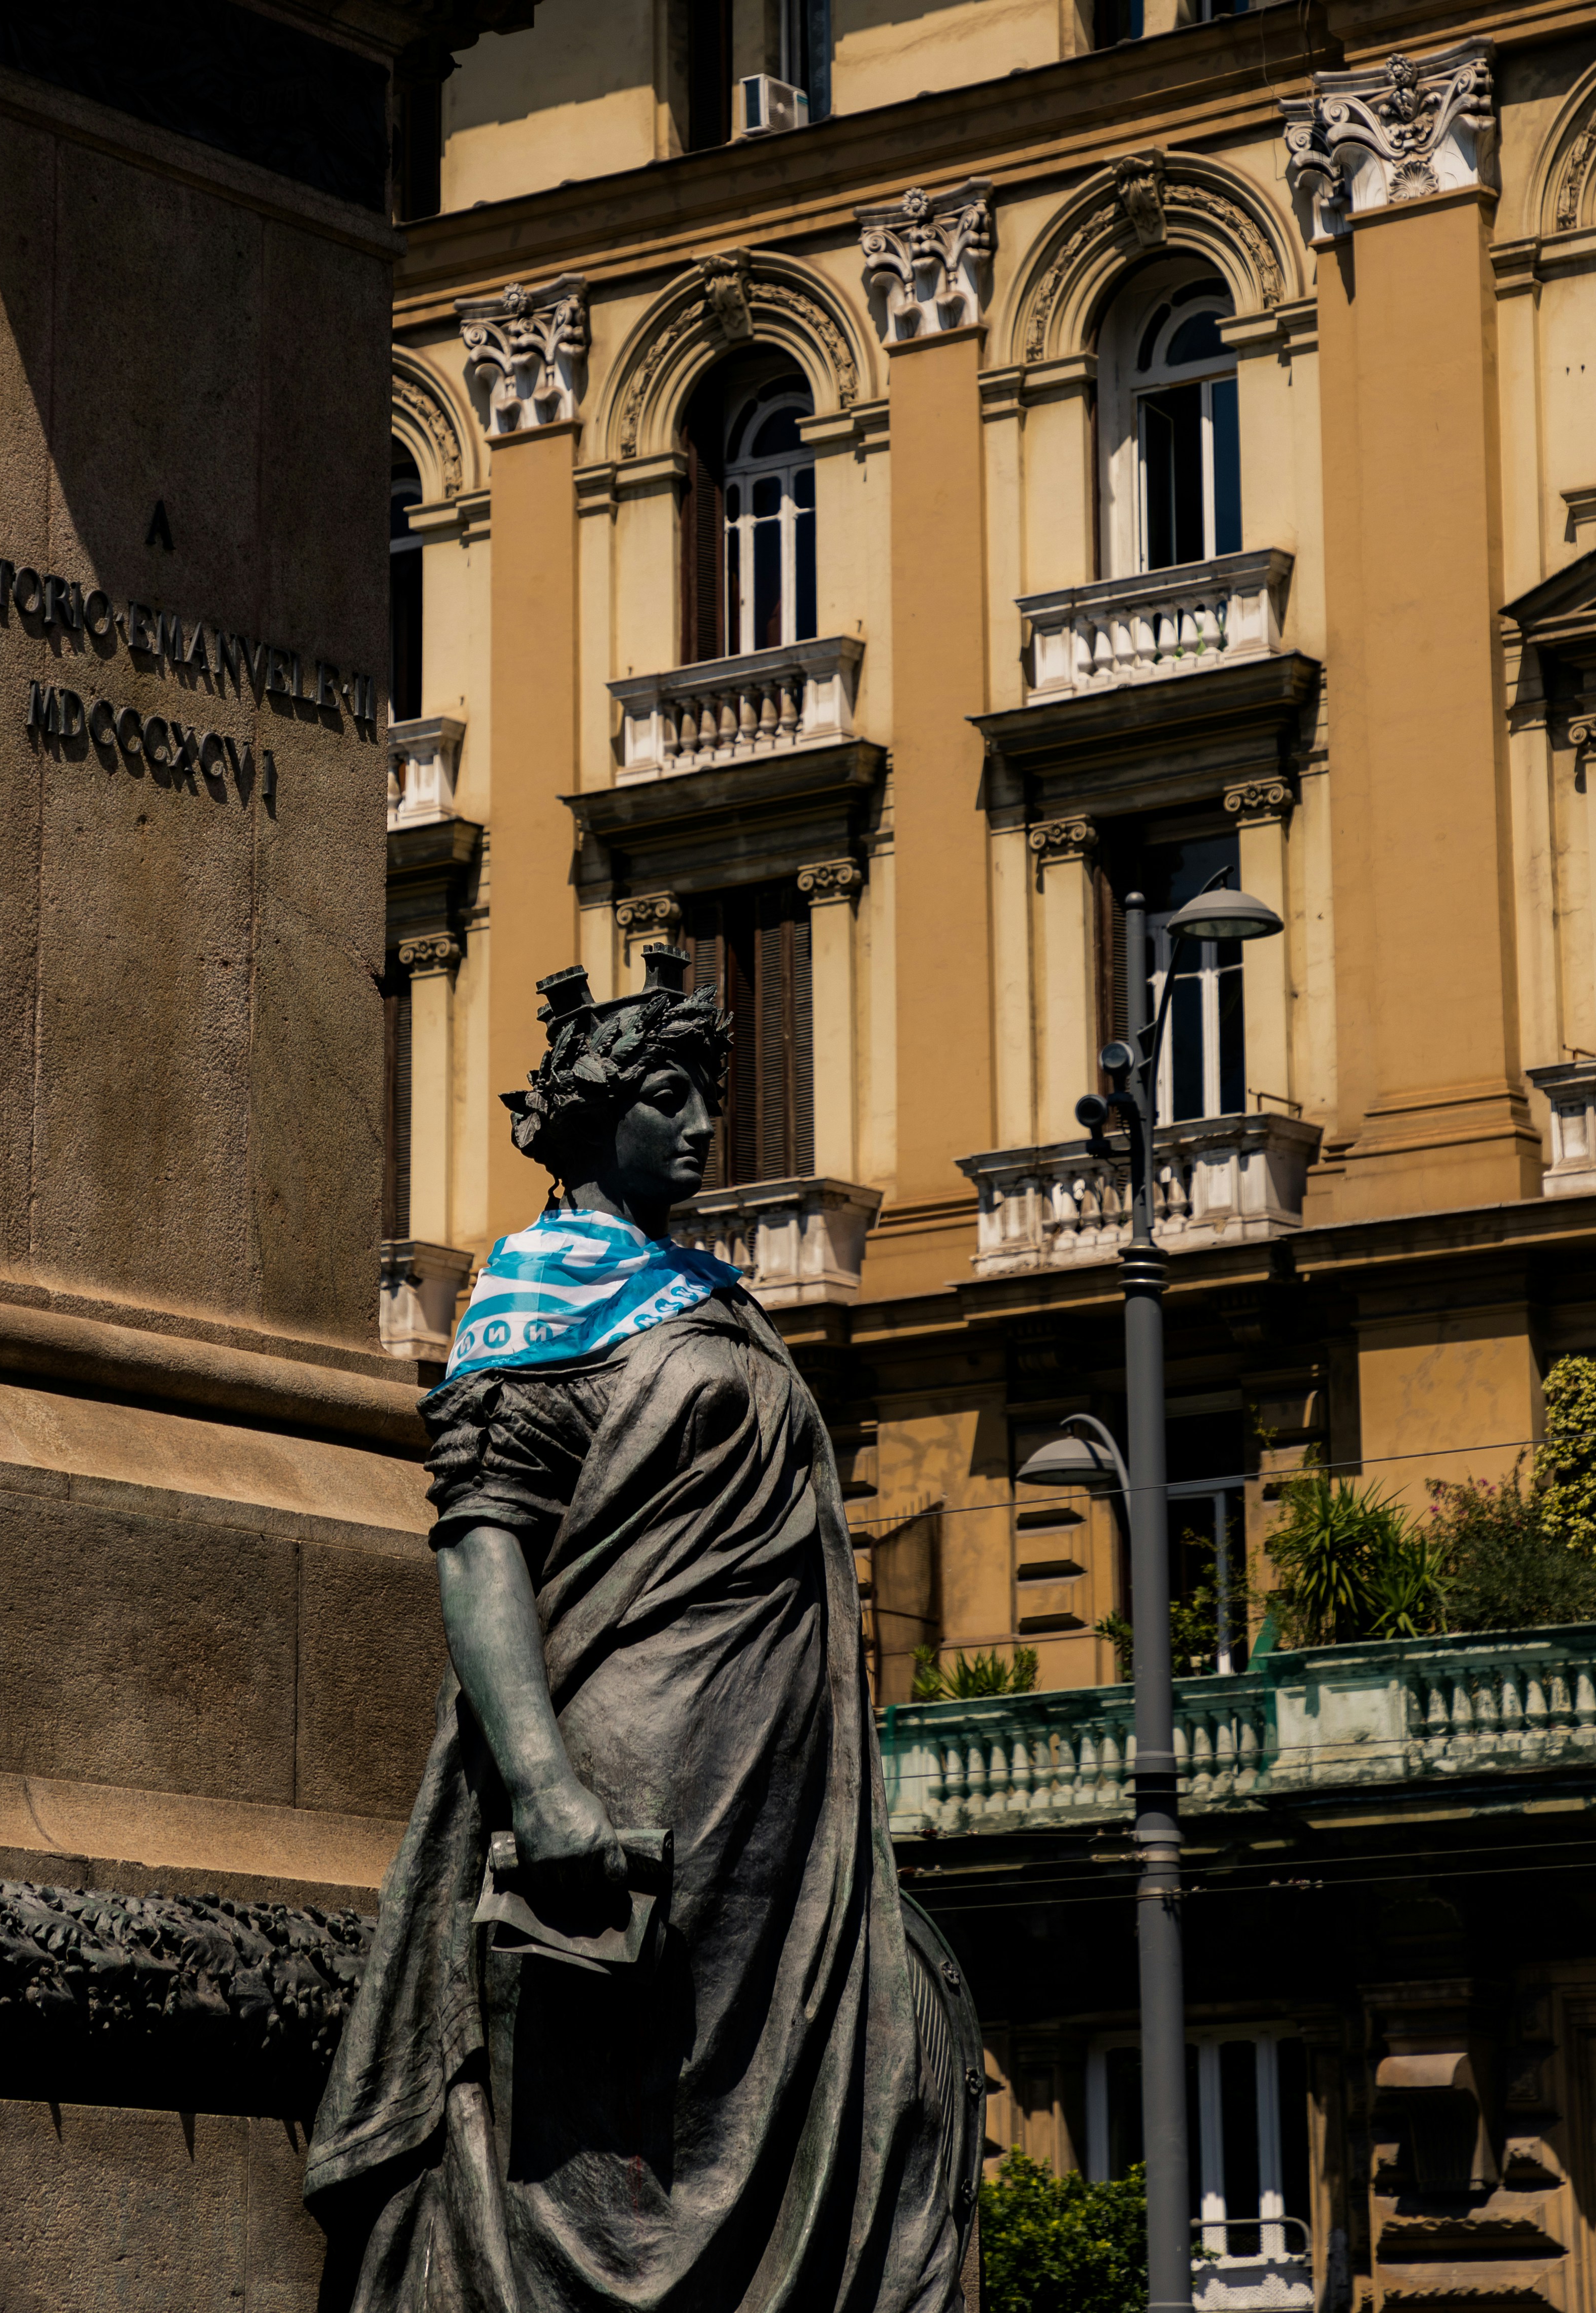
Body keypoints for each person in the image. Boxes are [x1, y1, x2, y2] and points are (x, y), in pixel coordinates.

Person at [306, 946, 969, 2312]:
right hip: (634, 1785)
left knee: (841, 2089)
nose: (708, 1124)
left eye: (709, 1094)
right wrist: (542, 1777)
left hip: (775, 1815)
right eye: (675, 1094)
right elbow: (485, 1543)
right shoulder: (539, 1289)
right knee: (613, 2141)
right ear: (603, 1113)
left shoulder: (713, 1296)